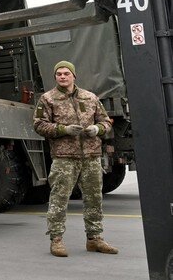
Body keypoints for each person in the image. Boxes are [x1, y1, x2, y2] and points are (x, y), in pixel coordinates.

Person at [33, 60, 118, 257]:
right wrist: (63, 130)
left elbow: (105, 121)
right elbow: (39, 125)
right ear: (55, 77)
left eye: (66, 73)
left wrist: (97, 129)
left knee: (94, 198)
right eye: (59, 74)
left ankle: (95, 239)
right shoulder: (48, 99)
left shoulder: (90, 97)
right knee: (59, 199)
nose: (62, 76)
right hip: (64, 157)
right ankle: (56, 240)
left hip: (91, 156)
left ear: (74, 75)